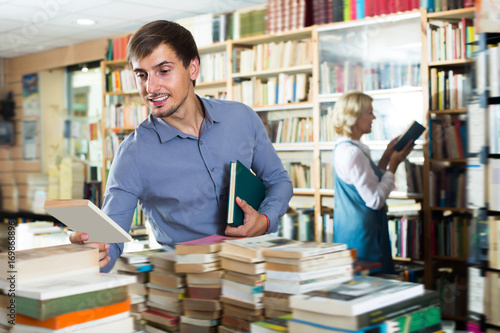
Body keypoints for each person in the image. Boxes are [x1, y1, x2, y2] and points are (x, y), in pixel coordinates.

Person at [70, 20, 293, 272]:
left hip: (255, 267)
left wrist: (264, 219)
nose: (150, 88)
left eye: (163, 71)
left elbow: (278, 181)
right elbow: (110, 236)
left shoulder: (241, 118)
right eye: (141, 75)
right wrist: (96, 250)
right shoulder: (133, 154)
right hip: (189, 287)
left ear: (193, 68)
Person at [332, 91, 414, 274]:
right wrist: (393, 166)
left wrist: (386, 157)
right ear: (354, 116)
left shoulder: (347, 148)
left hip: (353, 231)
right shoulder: (352, 153)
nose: (374, 117)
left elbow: (369, 181)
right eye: (369, 112)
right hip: (364, 237)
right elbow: (375, 200)